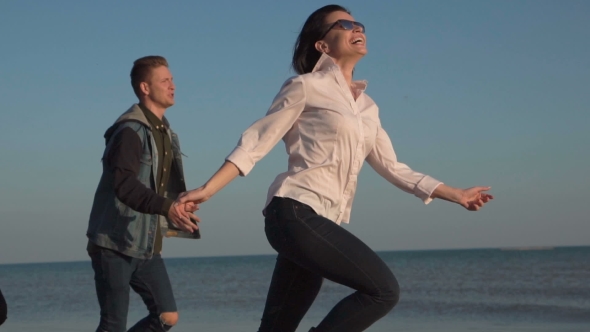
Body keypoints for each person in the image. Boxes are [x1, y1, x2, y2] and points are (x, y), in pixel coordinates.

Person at [175, 4, 493, 332]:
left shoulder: (368, 108)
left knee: (276, 328)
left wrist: (455, 194)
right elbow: (256, 142)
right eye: (344, 24)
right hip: (294, 214)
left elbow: (394, 167)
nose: (357, 29)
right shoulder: (305, 86)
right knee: (383, 291)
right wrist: (207, 190)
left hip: (319, 223)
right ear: (322, 45)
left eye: (359, 24)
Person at [86, 55, 200, 332]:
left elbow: (155, 187)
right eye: (165, 80)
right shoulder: (130, 131)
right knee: (113, 324)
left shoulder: (164, 132)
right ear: (145, 88)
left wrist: (178, 207)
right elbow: (123, 184)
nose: (173, 85)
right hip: (114, 243)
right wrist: (165, 206)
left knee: (167, 316)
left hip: (146, 245)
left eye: (172, 80)